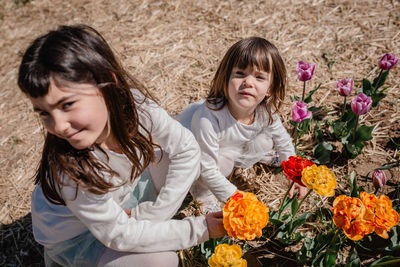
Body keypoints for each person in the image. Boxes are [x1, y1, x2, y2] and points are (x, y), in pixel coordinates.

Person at [17, 25, 226, 267]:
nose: (59, 126)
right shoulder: (70, 172)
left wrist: (157, 213)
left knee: (200, 160)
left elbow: (187, 149)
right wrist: (200, 229)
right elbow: (119, 235)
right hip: (83, 237)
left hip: (124, 194)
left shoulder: (135, 106)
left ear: (108, 83)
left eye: (67, 105)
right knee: (160, 261)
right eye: (44, 113)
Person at [178, 37, 307, 213]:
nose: (248, 82)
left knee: (267, 140)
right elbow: (206, 168)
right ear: (225, 78)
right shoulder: (207, 118)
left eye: (260, 77)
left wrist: (296, 176)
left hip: (233, 143)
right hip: (203, 154)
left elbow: (283, 141)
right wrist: (235, 197)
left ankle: (260, 156)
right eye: (240, 73)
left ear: (269, 89)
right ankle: (201, 193)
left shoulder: (265, 113)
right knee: (223, 165)